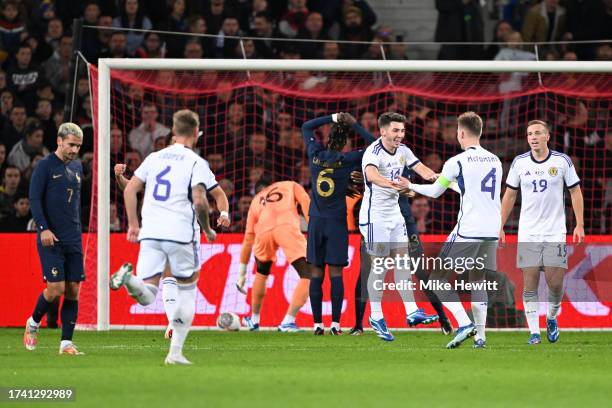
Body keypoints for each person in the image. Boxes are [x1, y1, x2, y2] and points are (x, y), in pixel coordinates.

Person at [109, 110, 218, 365]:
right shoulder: (195, 161)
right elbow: (201, 201)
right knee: (188, 290)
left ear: (172, 130)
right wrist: (208, 228)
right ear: (195, 131)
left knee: (147, 294)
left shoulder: (153, 157)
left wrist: (133, 225)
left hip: (151, 232)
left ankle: (129, 279)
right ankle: (175, 353)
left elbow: (131, 190)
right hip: (180, 233)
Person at [406, 112, 502, 349]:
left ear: (461, 133)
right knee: (478, 281)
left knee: (437, 280)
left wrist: (410, 185)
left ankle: (463, 323)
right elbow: (473, 191)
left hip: (469, 229)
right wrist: (448, 181)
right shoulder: (495, 160)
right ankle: (481, 337)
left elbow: (434, 193)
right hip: (491, 229)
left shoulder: (456, 161)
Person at [500, 120, 584, 345]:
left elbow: (575, 192)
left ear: (547, 136)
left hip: (555, 232)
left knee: (555, 284)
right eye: (529, 134)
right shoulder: (519, 163)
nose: (533, 137)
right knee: (530, 283)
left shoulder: (562, 161)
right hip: (528, 232)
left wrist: (580, 224)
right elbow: (509, 195)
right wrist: (499, 225)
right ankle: (534, 333)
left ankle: (552, 317)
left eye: (538, 133)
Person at [359, 112, 440, 342]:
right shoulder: (373, 152)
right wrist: (397, 186)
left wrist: (438, 178)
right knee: (381, 266)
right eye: (395, 130)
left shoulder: (403, 151)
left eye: (402, 131)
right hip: (374, 217)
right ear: (383, 131)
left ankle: (412, 311)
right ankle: (375, 316)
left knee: (404, 263)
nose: (399, 135)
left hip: (395, 215)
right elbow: (372, 176)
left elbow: (422, 169)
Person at [300, 112, 375, 335]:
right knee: (336, 275)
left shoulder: (314, 154)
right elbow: (375, 146)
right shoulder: (348, 159)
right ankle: (335, 324)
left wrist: (333, 117)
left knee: (315, 273)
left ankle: (316, 325)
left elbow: (306, 125)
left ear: (327, 138)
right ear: (345, 143)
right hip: (336, 224)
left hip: (315, 222)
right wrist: (356, 124)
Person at [23, 123, 85, 355]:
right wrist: (43, 229)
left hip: (73, 237)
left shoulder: (77, 167)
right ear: (59, 141)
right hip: (51, 237)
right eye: (71, 145)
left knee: (73, 290)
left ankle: (66, 343)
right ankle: (33, 322)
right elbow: (35, 199)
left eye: (78, 146)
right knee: (55, 288)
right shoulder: (45, 166)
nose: (75, 150)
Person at [236, 177, 311, 332]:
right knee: (309, 273)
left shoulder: (255, 201)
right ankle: (288, 321)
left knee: (262, 272)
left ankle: (254, 320)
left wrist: (241, 273)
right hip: (286, 227)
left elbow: (248, 238)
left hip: (263, 233)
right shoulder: (289, 184)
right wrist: (313, 226)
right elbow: (305, 200)